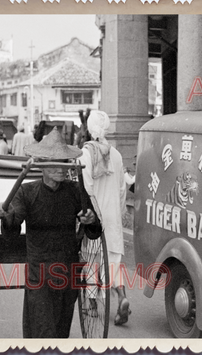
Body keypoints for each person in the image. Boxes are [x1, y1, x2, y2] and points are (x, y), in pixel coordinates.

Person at [0, 129, 101, 338]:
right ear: (41, 164)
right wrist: (7, 218)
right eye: (56, 161)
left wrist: (91, 221)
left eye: (65, 161)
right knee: (43, 330)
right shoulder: (27, 192)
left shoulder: (75, 191)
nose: (62, 167)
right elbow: (11, 232)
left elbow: (94, 231)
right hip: (40, 272)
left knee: (61, 330)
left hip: (68, 270)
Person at [78, 110, 131, 326]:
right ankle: (121, 297)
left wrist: (89, 214)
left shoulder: (85, 154)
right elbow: (121, 191)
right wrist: (118, 214)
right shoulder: (116, 155)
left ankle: (91, 304)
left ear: (89, 129)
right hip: (112, 217)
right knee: (114, 263)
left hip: (95, 216)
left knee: (92, 261)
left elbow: (87, 188)